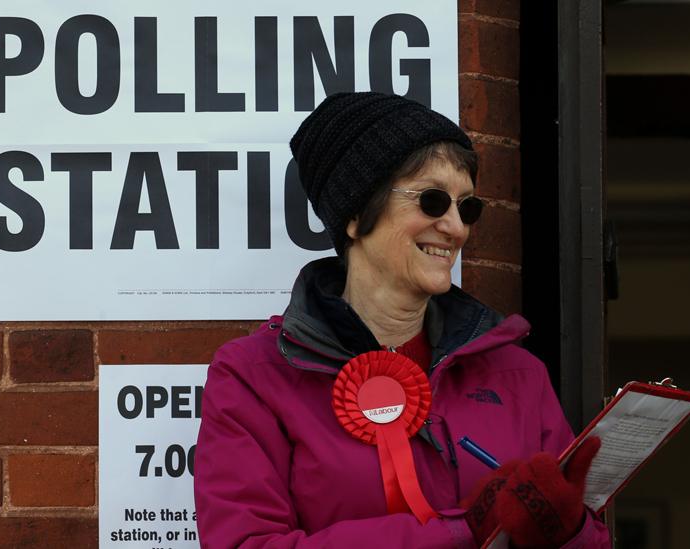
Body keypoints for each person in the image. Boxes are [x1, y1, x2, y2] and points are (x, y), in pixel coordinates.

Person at [194, 92, 611, 549]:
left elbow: (589, 537)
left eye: (466, 206)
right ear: (355, 214)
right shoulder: (255, 377)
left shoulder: (517, 375)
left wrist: (567, 529)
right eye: (432, 201)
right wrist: (461, 532)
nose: (456, 227)